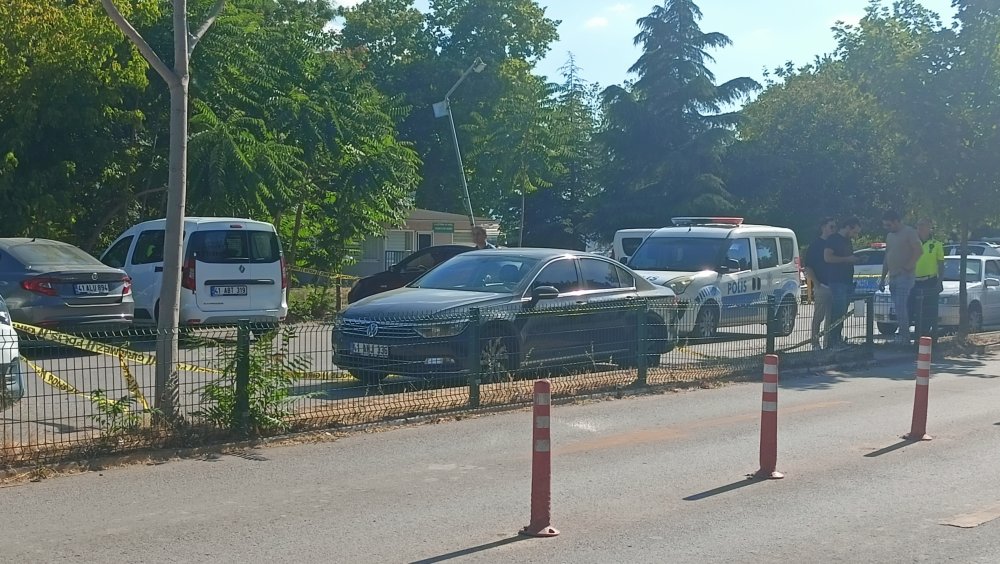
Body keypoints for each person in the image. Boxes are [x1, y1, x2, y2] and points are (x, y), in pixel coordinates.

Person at [879, 210, 923, 345]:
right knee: (897, 307)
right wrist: (882, 278)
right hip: (892, 277)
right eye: (885, 225)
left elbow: (919, 250)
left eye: (889, 225)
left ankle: (905, 338)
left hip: (905, 276)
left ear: (897, 221)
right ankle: (903, 336)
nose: (887, 228)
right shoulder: (889, 236)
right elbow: (887, 256)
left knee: (900, 306)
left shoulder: (909, 232)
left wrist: (908, 267)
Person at [824, 217, 862, 349]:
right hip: (837, 281)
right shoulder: (833, 239)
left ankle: (838, 339)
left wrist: (856, 259)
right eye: (855, 232)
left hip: (847, 281)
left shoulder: (847, 241)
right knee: (837, 312)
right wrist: (847, 259)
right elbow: (827, 257)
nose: (855, 235)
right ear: (848, 227)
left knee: (843, 312)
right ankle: (832, 341)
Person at [804, 217, 838, 351]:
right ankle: (815, 344)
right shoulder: (815, 245)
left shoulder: (835, 244)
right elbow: (808, 267)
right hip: (821, 286)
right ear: (823, 227)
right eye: (831, 227)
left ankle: (828, 344)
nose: (833, 229)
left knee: (832, 318)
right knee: (819, 317)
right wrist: (816, 284)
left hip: (834, 286)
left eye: (835, 227)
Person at [910, 218, 945, 343]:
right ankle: (914, 337)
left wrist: (940, 281)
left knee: (929, 310)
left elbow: (941, 264)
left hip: (930, 281)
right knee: (913, 309)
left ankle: (928, 337)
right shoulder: (912, 243)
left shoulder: (936, 244)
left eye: (924, 225)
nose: (921, 228)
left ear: (930, 227)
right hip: (914, 281)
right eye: (919, 225)